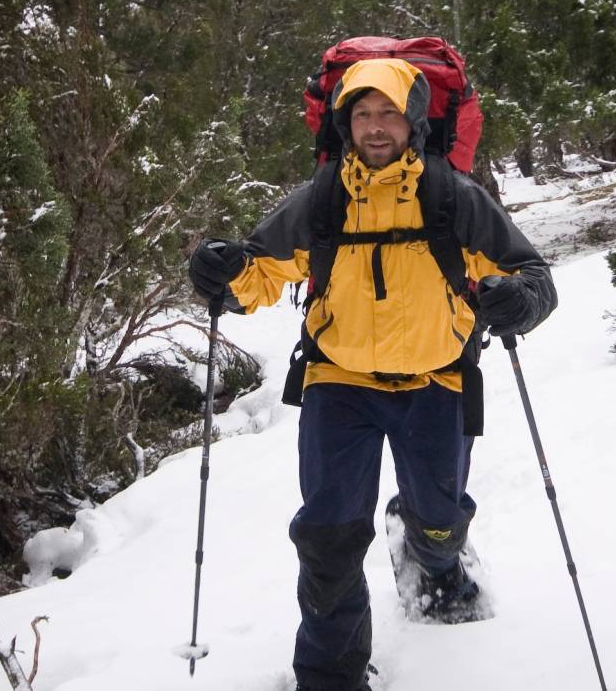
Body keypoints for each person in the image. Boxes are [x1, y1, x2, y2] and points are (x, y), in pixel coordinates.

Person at [188, 58, 557, 691]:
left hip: (436, 385)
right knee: (328, 539)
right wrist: (221, 275)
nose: (375, 126)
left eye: (387, 112)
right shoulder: (322, 200)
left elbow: (534, 277)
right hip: (339, 384)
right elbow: (260, 277)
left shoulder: (454, 198)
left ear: (413, 120)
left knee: (439, 519)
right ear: (344, 123)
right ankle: (332, 677)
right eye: (362, 113)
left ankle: (436, 563)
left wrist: (515, 301)